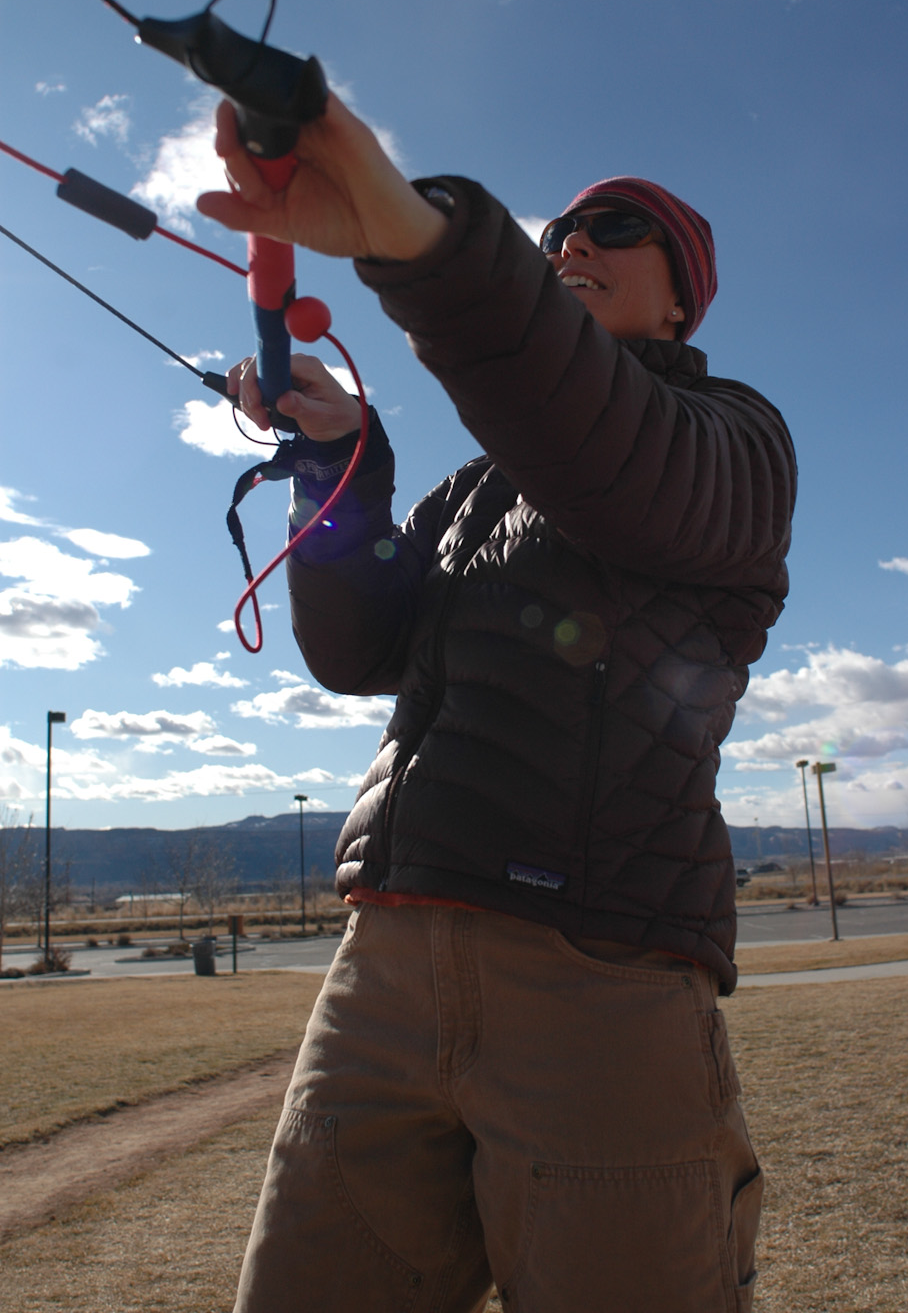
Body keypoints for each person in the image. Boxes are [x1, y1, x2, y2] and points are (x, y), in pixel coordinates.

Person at [199, 92, 796, 1313]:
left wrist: (417, 240)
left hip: (604, 970)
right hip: (385, 966)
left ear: (683, 295)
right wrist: (341, 469)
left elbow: (603, 443)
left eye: (613, 226)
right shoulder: (481, 487)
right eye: (555, 230)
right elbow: (362, 647)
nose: (569, 241)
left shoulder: (734, 442)